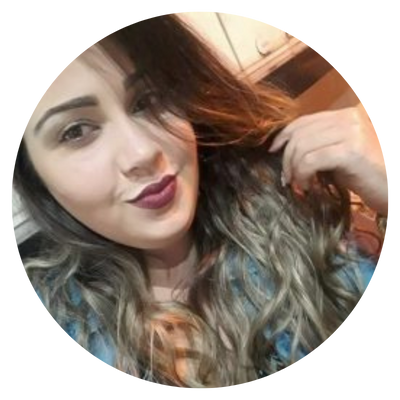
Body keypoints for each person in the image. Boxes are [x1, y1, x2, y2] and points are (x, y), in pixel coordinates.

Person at [12, 12, 387, 390]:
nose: (142, 152)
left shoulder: (286, 213)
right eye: (76, 131)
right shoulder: (64, 319)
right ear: (35, 179)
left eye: (148, 99)